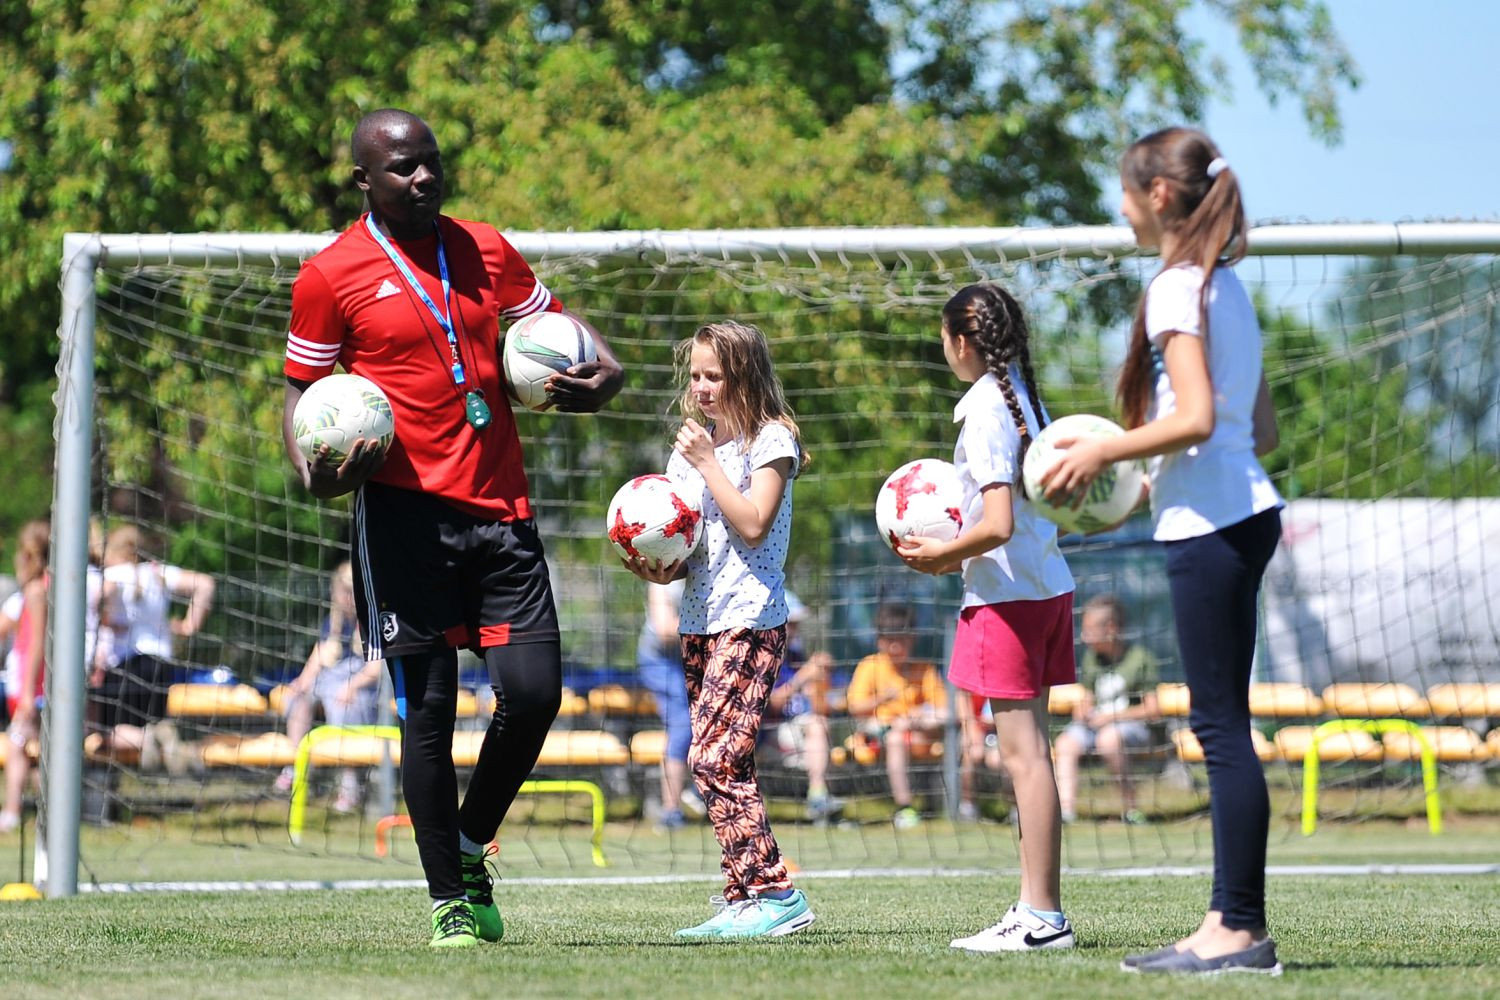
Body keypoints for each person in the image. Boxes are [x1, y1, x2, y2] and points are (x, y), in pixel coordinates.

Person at [281, 108, 623, 948]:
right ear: (366, 179)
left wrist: (604, 370)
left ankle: (470, 846)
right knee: (426, 714)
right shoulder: (330, 276)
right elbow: (300, 393)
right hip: (402, 519)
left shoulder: (485, 247)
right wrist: (313, 470)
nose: (423, 178)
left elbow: (560, 329)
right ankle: (449, 902)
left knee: (536, 693)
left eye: (431, 162)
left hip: (501, 508)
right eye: (402, 168)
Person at [1040, 127, 1284, 976]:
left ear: (1157, 196)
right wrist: (1146, 489)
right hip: (1236, 510)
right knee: (1223, 721)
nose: (1117, 207)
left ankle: (1240, 932)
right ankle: (1226, 921)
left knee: (1219, 726)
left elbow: (1197, 418)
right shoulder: (1229, 289)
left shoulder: (1181, 287)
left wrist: (1106, 453)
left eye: (1123, 190)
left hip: (1213, 523)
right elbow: (1259, 427)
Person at [895, 282, 1077, 953]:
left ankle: (1044, 918)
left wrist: (943, 553)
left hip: (1009, 599)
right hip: (1045, 586)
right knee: (1035, 757)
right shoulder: (1025, 397)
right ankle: (1035, 907)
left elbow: (996, 523)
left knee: (1025, 760)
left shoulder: (985, 412)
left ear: (961, 342)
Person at [623, 320, 815, 940]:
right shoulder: (691, 450)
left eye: (715, 375)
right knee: (725, 761)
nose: (702, 387)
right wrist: (656, 561)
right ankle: (742, 894)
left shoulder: (772, 440)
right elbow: (689, 542)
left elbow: (754, 522)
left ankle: (775, 893)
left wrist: (707, 462)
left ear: (744, 377)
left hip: (751, 617)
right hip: (700, 620)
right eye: (696, 376)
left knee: (712, 757)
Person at [96, 524, 215, 775]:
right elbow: (205, 584)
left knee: (106, 729)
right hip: (160, 666)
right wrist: (189, 624)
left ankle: (147, 738)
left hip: (126, 665)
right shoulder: (159, 573)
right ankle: (159, 736)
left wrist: (104, 619)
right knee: (152, 719)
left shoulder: (116, 574)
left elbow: (100, 594)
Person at [274, 561, 384, 814]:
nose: (346, 598)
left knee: (344, 705)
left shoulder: (372, 622)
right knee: (298, 701)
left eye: (350, 591)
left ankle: (349, 785)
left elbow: (374, 671)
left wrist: (352, 687)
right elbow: (319, 656)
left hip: (358, 686)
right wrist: (301, 681)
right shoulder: (331, 624)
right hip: (329, 682)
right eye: (341, 591)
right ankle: (297, 767)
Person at [1053, 595, 1160, 824]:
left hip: (1133, 730)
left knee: (1109, 740)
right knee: (1065, 743)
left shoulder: (1140, 658)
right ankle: (1066, 811)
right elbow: (1087, 698)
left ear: (1111, 628)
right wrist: (1082, 711)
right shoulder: (1092, 659)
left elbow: (1152, 710)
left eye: (1090, 630)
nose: (1083, 637)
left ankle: (1131, 809)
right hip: (1096, 726)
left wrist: (1111, 718)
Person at [844, 603, 948, 830]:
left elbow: (945, 712)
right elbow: (854, 707)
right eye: (888, 639)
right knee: (895, 738)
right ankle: (905, 807)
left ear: (912, 639)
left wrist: (917, 717)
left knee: (944, 730)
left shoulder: (925, 669)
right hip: (876, 738)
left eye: (901, 639)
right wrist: (882, 699)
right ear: (879, 639)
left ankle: (958, 805)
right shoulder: (869, 665)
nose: (895, 646)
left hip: (919, 736)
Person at [763, 591, 840, 822]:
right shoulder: (762, 656)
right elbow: (772, 704)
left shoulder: (796, 654)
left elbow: (830, 701)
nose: (793, 631)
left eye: (795, 625)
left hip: (798, 731)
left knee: (817, 723)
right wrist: (803, 678)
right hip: (765, 736)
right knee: (814, 726)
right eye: (790, 624)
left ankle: (818, 796)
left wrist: (821, 678)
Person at [634, 579, 703, 829]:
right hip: (661, 661)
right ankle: (671, 810)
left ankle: (699, 789)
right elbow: (664, 630)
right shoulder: (662, 579)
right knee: (682, 725)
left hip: (693, 655)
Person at [1, 520, 50, 832]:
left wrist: (30, 692)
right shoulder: (37, 589)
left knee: (18, 745)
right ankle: (41, 811)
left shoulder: (36, 590)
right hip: (27, 685)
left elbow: (36, 645)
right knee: (32, 748)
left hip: (31, 687)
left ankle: (12, 811)